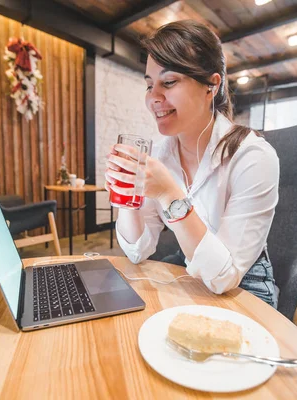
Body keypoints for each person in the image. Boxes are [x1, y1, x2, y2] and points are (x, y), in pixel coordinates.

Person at [104, 21, 279, 307]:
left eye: (169, 82)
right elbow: (137, 252)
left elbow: (224, 278)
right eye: (149, 85)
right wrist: (127, 198)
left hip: (244, 283)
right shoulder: (161, 155)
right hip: (194, 270)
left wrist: (169, 194)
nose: (153, 98)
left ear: (211, 85)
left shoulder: (253, 157)